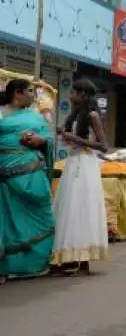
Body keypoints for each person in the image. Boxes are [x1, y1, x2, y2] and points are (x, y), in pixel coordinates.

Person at [51, 79, 110, 275]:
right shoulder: (75, 114)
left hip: (85, 164)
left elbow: (104, 146)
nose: (70, 95)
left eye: (74, 92)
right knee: (70, 208)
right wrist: (64, 134)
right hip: (73, 162)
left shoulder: (92, 115)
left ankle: (82, 260)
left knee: (81, 208)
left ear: (83, 94)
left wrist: (75, 138)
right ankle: (72, 258)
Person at [0, 79, 55, 283]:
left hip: (32, 177)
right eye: (30, 91)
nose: (34, 96)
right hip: (5, 180)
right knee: (6, 222)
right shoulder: (1, 113)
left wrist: (40, 141)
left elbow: (48, 140)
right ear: (17, 93)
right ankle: (5, 267)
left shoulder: (35, 117)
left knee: (42, 217)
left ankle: (34, 263)